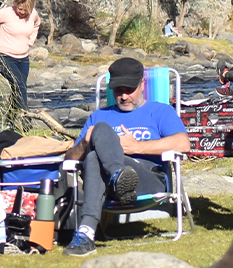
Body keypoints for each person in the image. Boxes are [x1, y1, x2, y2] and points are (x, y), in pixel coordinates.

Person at [62, 58, 190, 256]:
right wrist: (84, 144)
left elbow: (183, 143)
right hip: (110, 187)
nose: (123, 96)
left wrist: (136, 146)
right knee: (96, 147)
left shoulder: (159, 111)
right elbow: (69, 160)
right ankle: (117, 175)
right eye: (118, 90)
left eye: (129, 90)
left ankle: (86, 233)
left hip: (147, 178)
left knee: (96, 151)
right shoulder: (99, 116)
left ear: (142, 84)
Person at [0, 0, 41, 111]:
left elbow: (37, 24)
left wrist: (31, 41)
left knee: (19, 88)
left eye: (26, 10)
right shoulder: (7, 13)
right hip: (4, 56)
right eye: (20, 9)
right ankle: (25, 118)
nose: (23, 12)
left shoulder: (33, 14)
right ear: (15, 4)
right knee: (19, 85)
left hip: (23, 58)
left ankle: (12, 121)